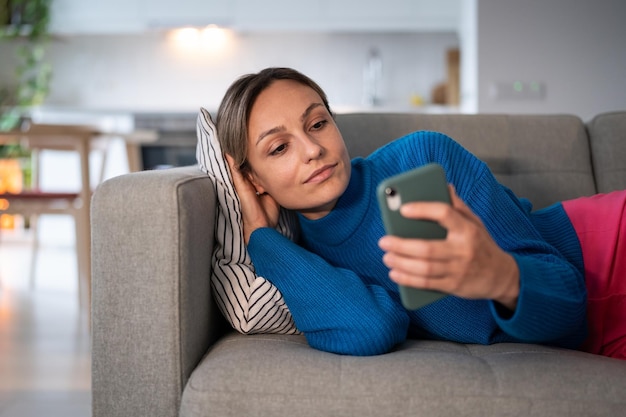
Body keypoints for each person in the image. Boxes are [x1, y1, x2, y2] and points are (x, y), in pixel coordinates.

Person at [213, 67, 626, 359]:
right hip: (589, 338)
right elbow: (370, 328)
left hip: (606, 250)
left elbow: (571, 298)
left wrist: (500, 275)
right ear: (254, 180)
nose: (312, 149)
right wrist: (261, 239)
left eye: (317, 123)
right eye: (279, 147)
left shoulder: (421, 158)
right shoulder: (308, 261)